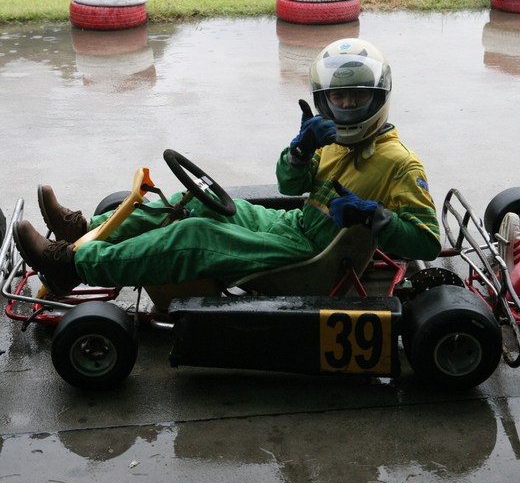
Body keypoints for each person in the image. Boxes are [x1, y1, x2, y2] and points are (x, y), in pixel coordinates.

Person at [13, 39, 441, 296]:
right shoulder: (332, 140)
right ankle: (88, 229)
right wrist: (299, 152)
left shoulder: (399, 164)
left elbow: (425, 241)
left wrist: (374, 215)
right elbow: (289, 185)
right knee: (193, 202)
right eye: (338, 97)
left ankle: (71, 265)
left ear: (378, 97)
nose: (346, 106)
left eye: (357, 97)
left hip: (316, 260)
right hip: (294, 226)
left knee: (197, 236)